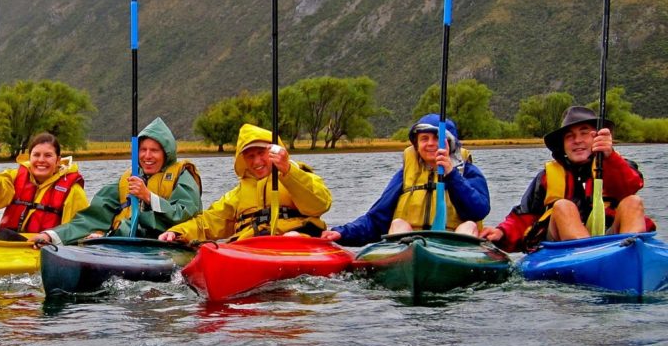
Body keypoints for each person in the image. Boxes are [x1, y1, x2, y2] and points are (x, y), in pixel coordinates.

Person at [481, 106, 653, 252]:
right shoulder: (546, 177)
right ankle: (587, 254)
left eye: (584, 133)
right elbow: (524, 216)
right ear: (563, 145)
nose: (577, 140)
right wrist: (502, 233)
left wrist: (609, 157)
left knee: (632, 201)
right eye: (570, 136)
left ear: (597, 137)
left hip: (614, 245)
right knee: (563, 206)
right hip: (563, 246)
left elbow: (629, 187)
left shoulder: (617, 164)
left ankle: (632, 253)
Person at [321, 114, 490, 246]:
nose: (430, 144)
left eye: (437, 139)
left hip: (455, 247)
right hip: (411, 247)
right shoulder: (405, 175)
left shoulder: (467, 172)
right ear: (416, 145)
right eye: (424, 139)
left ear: (450, 144)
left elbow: (478, 211)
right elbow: (377, 219)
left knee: (469, 227)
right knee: (398, 223)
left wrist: (451, 174)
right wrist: (342, 233)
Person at [32, 117, 202, 246]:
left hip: (165, 244)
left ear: (166, 153)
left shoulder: (182, 175)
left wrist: (148, 196)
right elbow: (93, 216)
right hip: (123, 244)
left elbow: (185, 214)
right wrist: (51, 236)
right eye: (142, 150)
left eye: (154, 150)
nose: (147, 156)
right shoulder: (127, 179)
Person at [159, 123, 331, 242]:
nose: (256, 161)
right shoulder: (238, 194)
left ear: (273, 150)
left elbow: (319, 205)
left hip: (297, 239)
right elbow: (209, 222)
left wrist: (287, 171)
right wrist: (178, 232)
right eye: (250, 156)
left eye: (261, 153)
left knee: (292, 237)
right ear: (243, 160)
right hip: (252, 247)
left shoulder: (298, 173)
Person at [0, 132, 88, 241]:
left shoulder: (73, 190)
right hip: (10, 247)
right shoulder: (15, 177)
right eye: (36, 155)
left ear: (58, 161)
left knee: (5, 234)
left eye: (48, 155)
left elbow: (79, 228)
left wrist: (50, 238)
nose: (41, 160)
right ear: (30, 158)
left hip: (44, 247)